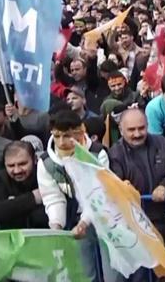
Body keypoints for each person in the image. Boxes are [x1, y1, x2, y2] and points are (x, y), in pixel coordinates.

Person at [36, 110, 113, 282]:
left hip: (106, 218)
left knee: (112, 277)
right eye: (56, 136)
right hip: (74, 221)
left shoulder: (97, 153)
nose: (61, 142)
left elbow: (98, 194)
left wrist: (85, 222)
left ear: (80, 132)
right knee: (84, 275)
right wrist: (56, 225)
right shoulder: (46, 162)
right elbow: (53, 197)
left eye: (67, 136)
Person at [108, 108, 165, 246]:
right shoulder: (115, 154)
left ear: (147, 126)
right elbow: (115, 184)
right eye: (131, 130)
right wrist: (124, 187)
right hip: (134, 225)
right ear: (121, 130)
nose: (137, 134)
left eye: (141, 128)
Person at [0, 141, 48, 229]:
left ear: (35, 159)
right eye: (11, 166)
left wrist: (12, 205)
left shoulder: (45, 175)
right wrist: (33, 198)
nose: (17, 171)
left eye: (22, 164)